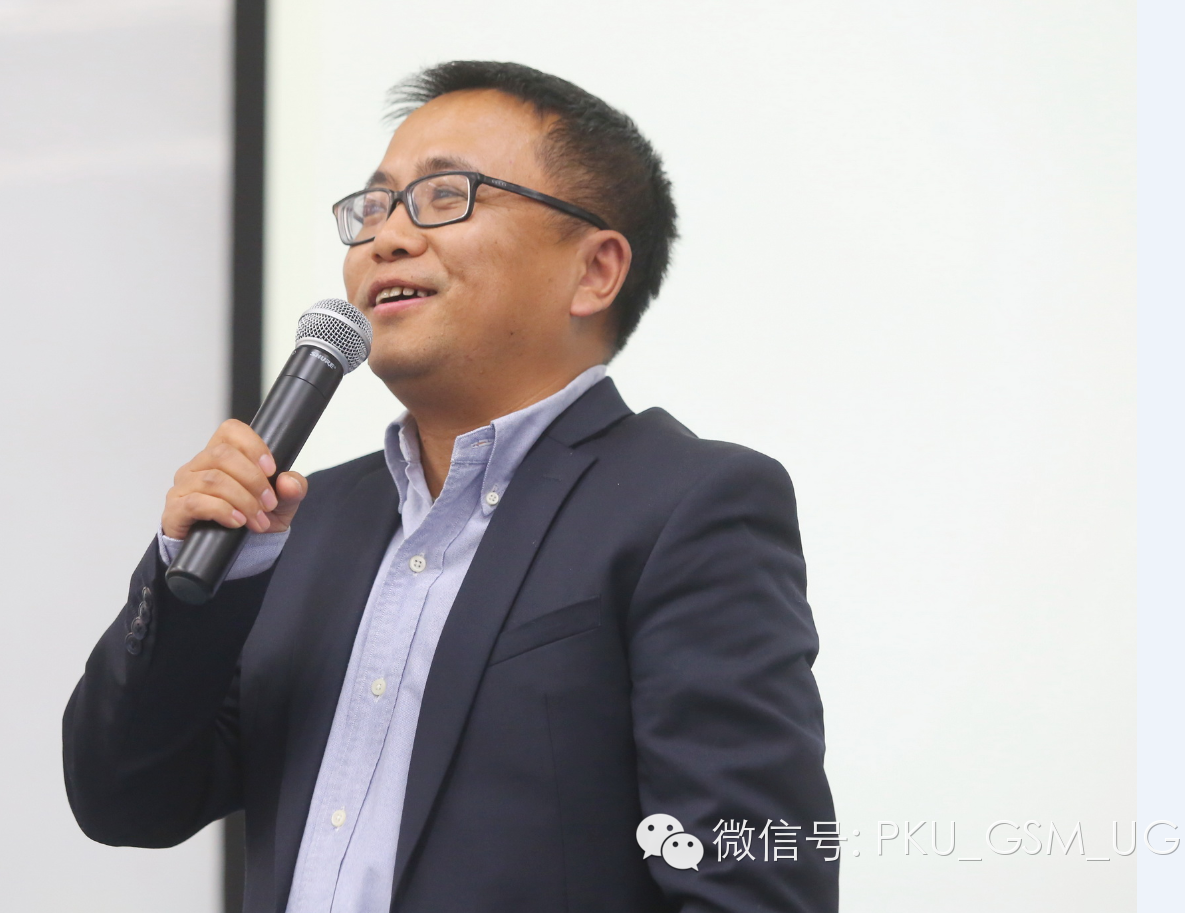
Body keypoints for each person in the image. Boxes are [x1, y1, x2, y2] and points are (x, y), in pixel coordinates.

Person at [63, 60, 837, 913]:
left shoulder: (688, 506)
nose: (387, 238)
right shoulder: (304, 523)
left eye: (445, 196)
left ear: (595, 271)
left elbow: (755, 888)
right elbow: (127, 798)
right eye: (375, 207)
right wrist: (201, 581)